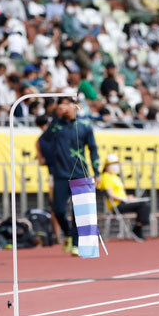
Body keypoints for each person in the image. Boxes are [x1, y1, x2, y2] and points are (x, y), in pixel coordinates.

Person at [40, 95, 100, 255]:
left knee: (78, 212)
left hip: (80, 173)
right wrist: (56, 118)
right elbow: (44, 139)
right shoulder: (57, 126)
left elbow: (93, 149)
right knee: (58, 209)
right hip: (60, 174)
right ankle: (67, 233)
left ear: (75, 106)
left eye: (67, 104)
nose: (64, 108)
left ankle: (75, 243)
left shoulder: (85, 126)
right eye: (61, 105)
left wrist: (97, 172)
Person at [100, 153, 150, 242]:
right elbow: (111, 194)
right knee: (144, 206)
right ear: (107, 165)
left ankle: (138, 227)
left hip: (124, 202)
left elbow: (119, 193)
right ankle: (137, 229)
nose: (115, 166)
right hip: (117, 205)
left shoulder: (115, 176)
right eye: (113, 164)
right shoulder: (105, 177)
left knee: (144, 205)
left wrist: (128, 198)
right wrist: (125, 199)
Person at [35, 114, 61, 244]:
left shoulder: (39, 141)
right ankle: (71, 236)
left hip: (53, 175)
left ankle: (57, 236)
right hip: (64, 173)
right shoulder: (58, 135)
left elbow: (41, 161)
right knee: (66, 206)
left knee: (55, 206)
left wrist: (46, 160)